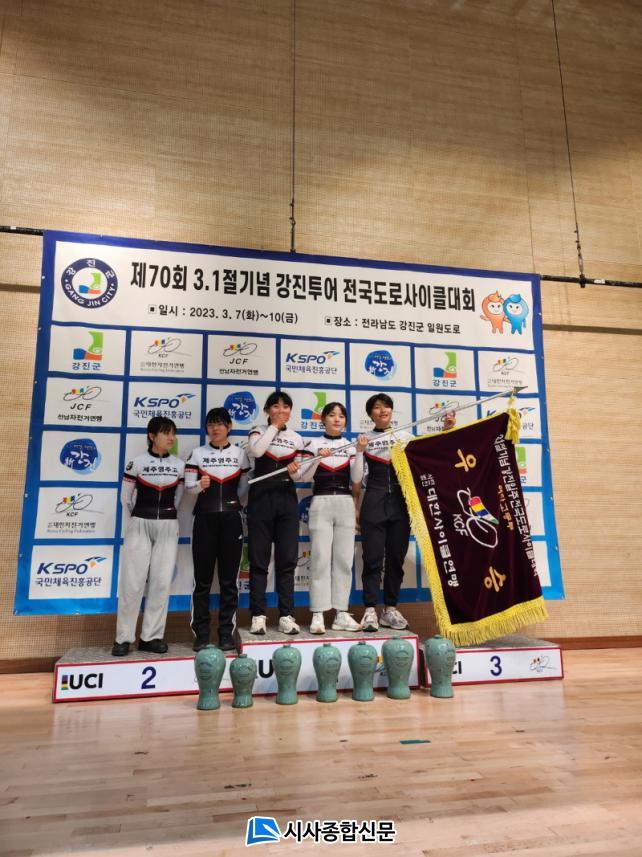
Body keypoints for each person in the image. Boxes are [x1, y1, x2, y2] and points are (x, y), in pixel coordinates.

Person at [356, 394, 455, 632]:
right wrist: (359, 452)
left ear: (391, 411)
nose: (382, 410)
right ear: (370, 414)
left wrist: (446, 430)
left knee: (396, 558)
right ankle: (369, 610)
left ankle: (390, 609)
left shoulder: (405, 437)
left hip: (401, 504)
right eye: (377, 407)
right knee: (372, 558)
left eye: (386, 406)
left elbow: (431, 455)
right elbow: (357, 478)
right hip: (373, 500)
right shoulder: (363, 439)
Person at [112, 417, 184, 656]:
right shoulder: (136, 463)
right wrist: (138, 519)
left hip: (168, 525)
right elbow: (125, 499)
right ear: (152, 436)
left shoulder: (179, 465)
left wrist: (165, 518)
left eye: (173, 433)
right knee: (131, 583)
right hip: (139, 523)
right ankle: (123, 638)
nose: (171, 438)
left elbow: (178, 499)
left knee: (161, 582)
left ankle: (151, 637)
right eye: (166, 433)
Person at [300, 402, 368, 635]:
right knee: (320, 558)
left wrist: (360, 452)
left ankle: (341, 613)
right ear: (323, 420)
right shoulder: (313, 444)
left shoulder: (349, 445)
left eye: (341, 416)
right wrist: (317, 459)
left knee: (343, 560)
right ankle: (318, 613)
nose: (337, 419)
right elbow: (304, 476)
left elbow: (356, 479)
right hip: (320, 501)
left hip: (345, 503)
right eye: (331, 415)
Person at [185, 407, 250, 653]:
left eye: (220, 424)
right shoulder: (197, 454)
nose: (215, 428)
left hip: (232, 520)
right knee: (202, 581)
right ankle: (201, 634)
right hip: (204, 519)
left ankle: (225, 633)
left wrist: (231, 505)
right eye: (211, 424)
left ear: (229, 427)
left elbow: (243, 490)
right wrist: (199, 486)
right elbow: (188, 488)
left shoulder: (240, 454)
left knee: (228, 581)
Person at [247, 391, 311, 635]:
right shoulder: (257, 431)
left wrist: (295, 471)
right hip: (261, 497)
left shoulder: (297, 438)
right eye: (275, 406)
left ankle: (286, 615)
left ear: (291, 411)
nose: (281, 410)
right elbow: (257, 452)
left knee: (287, 561)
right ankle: (258, 615)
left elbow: (299, 475)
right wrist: (273, 427)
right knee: (259, 560)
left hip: (286, 498)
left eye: (286, 407)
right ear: (267, 410)